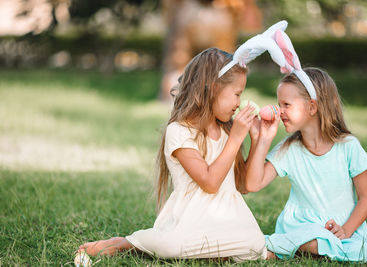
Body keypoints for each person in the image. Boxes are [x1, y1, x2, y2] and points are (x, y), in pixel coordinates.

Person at [77, 48, 269, 262]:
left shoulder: (225, 129)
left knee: (254, 243)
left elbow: (243, 185)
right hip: (189, 220)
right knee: (172, 246)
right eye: (237, 94)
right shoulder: (179, 131)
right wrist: (235, 139)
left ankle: (208, 250)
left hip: (227, 218)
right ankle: (128, 243)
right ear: (214, 89)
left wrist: (258, 139)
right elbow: (210, 182)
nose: (238, 102)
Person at [245, 67, 367, 262]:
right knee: (317, 240)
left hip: (342, 226)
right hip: (302, 226)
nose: (280, 112)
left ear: (312, 107)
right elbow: (253, 184)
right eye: (280, 104)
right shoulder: (289, 149)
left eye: (286, 104)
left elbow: (366, 198)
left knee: (361, 251)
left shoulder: (348, 146)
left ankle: (287, 247)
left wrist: (346, 230)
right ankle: (307, 246)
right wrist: (263, 139)